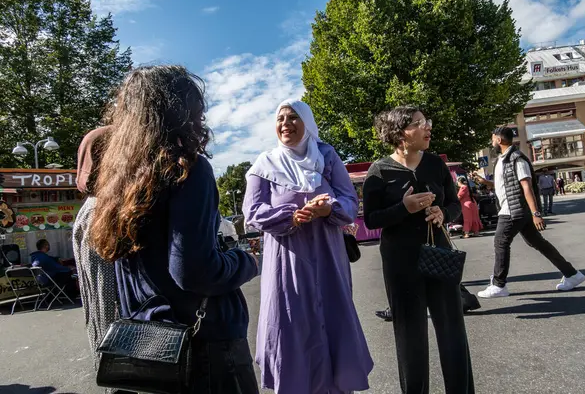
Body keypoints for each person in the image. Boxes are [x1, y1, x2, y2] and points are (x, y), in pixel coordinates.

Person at [88, 65, 260, 393]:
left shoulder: (118, 180)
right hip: (205, 349)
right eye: (198, 109)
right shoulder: (187, 168)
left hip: (146, 349)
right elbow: (195, 272)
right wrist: (245, 262)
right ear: (182, 111)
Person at [243, 99, 373, 394]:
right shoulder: (264, 164)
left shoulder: (326, 156)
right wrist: (291, 217)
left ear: (307, 122)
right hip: (287, 259)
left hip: (328, 254)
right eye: (280, 118)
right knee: (291, 322)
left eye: (293, 117)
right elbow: (252, 213)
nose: (286, 124)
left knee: (332, 317)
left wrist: (329, 210)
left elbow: (350, 201)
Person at [363, 105, 474, 393]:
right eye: (419, 123)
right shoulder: (379, 171)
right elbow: (372, 219)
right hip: (400, 263)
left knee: (452, 331)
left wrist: (444, 215)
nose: (428, 127)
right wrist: (404, 207)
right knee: (410, 336)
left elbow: (454, 204)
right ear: (401, 133)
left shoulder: (435, 164)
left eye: (426, 121)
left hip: (438, 256)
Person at [473, 127, 585, 298]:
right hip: (514, 209)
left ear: (499, 140)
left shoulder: (517, 159)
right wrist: (485, 183)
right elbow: (504, 186)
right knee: (538, 243)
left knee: (500, 242)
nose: (492, 142)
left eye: (493, 139)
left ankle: (499, 284)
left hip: (514, 209)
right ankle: (572, 274)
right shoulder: (502, 160)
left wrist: (536, 213)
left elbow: (527, 187)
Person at [73, 125, 126, 394]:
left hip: (105, 336)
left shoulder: (90, 207)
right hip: (119, 343)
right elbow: (107, 291)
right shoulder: (102, 210)